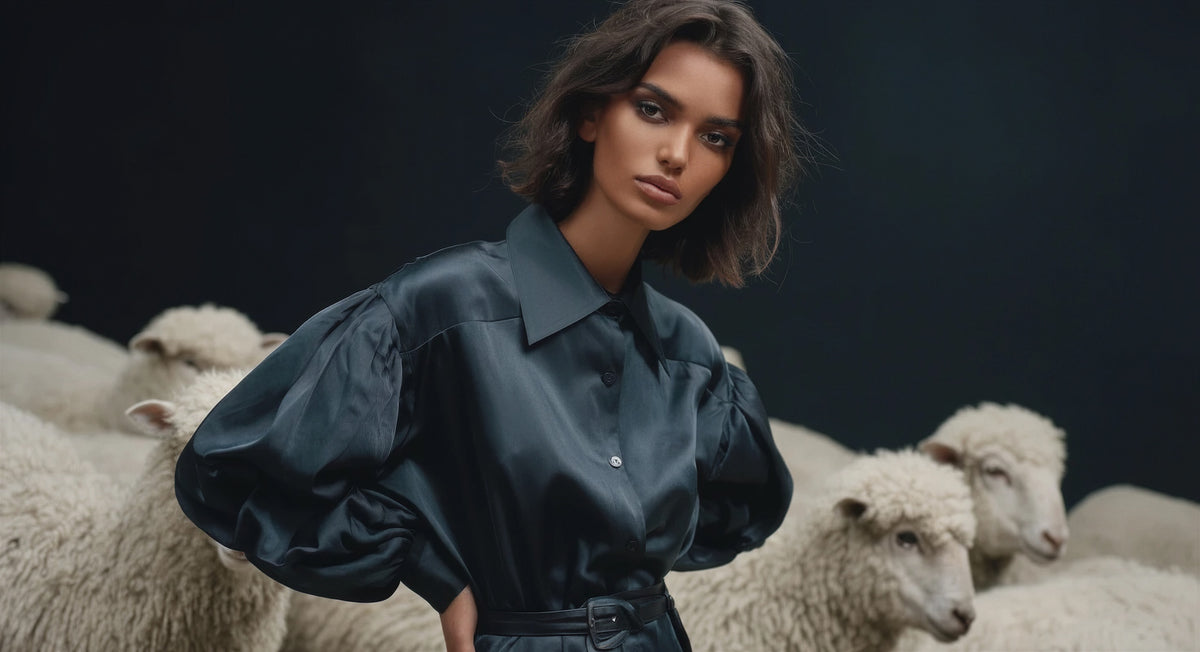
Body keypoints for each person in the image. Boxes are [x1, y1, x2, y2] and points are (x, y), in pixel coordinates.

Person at [174, 1, 807, 649]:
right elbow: (234, 473)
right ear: (592, 114)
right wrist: (436, 566)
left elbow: (739, 512)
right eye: (653, 110)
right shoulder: (441, 307)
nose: (677, 154)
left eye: (716, 138)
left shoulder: (691, 356)